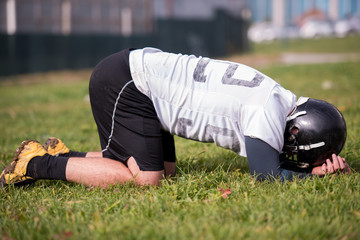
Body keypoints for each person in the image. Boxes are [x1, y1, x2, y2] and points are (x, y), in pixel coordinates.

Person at [0, 48, 351, 188]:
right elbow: (266, 176)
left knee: (164, 172)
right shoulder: (266, 111)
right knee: (147, 179)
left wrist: (309, 167)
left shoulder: (278, 96)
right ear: (299, 130)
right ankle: (34, 164)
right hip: (129, 82)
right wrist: (314, 175)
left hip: (144, 84)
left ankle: (60, 157)